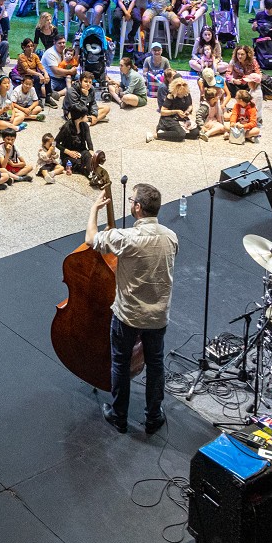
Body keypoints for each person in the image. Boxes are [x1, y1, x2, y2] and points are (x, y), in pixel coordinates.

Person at [88, 183, 176, 435]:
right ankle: (153, 417)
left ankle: (119, 417)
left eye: (131, 200)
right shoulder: (171, 236)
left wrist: (94, 210)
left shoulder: (127, 238)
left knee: (120, 362)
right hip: (158, 315)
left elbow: (91, 239)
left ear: (137, 207)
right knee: (155, 364)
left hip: (128, 315)